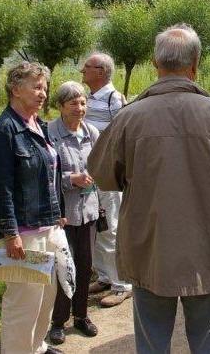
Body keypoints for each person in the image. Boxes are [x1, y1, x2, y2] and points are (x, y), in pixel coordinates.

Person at [87, 24, 210, 354]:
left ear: (156, 64)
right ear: (195, 64)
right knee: (208, 345)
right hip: (208, 247)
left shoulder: (128, 118)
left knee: (152, 344)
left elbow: (104, 177)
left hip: (148, 246)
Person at [0, 62, 64, 354]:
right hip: (25, 232)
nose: (43, 93)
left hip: (48, 225)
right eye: (36, 87)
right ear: (15, 89)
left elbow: (49, 173)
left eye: (44, 87)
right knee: (23, 303)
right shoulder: (4, 131)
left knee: (46, 297)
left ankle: (37, 347)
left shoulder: (37, 124)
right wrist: (10, 232)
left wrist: (58, 215)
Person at [47, 81, 100, 345]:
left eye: (82, 102)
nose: (80, 108)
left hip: (88, 213)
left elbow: (101, 164)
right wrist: (71, 179)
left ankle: (81, 316)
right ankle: (57, 321)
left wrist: (95, 176)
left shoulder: (92, 132)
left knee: (85, 266)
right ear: (60, 106)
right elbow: (42, 175)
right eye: (73, 103)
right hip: (61, 215)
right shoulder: (49, 133)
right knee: (61, 267)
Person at [81, 52, 132, 308]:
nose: (82, 71)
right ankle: (104, 277)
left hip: (108, 175)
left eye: (87, 67)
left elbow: (123, 137)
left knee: (111, 226)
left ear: (101, 71)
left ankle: (123, 285)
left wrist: (116, 172)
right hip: (91, 175)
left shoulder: (114, 99)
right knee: (97, 225)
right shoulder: (88, 100)